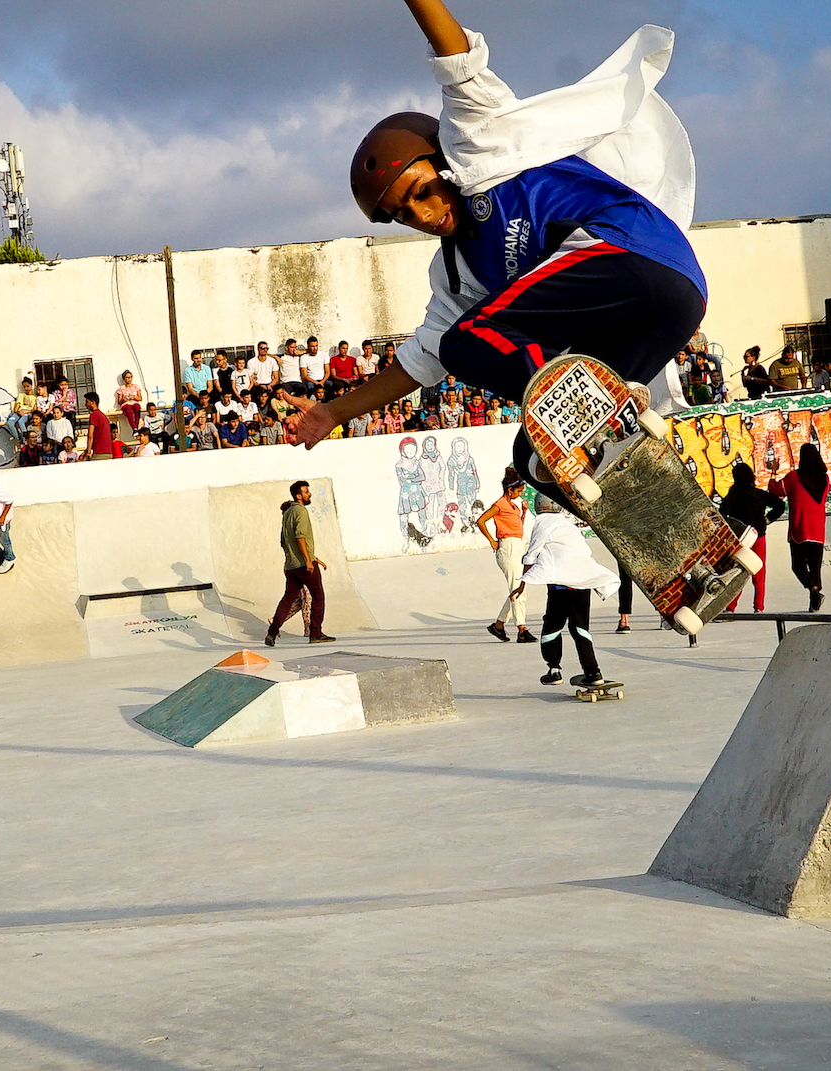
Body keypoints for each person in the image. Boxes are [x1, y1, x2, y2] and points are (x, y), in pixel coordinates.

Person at [286, 0, 706, 510]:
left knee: (468, 342)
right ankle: (667, 529)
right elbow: (421, 360)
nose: (421, 214)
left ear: (439, 160)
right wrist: (333, 412)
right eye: (403, 214)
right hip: (665, 316)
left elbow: (457, 59)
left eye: (422, 191)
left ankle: (577, 404)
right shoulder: (456, 277)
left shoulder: (479, 142)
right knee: (536, 458)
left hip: (635, 252)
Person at [508, 497, 619, 687]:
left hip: (560, 586)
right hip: (583, 582)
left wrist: (522, 585)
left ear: (538, 507)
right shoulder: (568, 524)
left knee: (552, 626)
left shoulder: (542, 524)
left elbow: (531, 556)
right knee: (580, 628)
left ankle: (554, 670)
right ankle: (593, 673)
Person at [265, 480, 337, 646]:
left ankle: (272, 632)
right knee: (318, 595)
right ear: (299, 496)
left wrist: (311, 557)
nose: (309, 494)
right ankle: (316, 633)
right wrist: (308, 560)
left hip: (291, 566)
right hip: (304, 565)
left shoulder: (287, 513)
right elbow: (300, 537)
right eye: (306, 492)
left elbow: (283, 540)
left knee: (288, 598)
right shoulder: (301, 512)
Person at [477, 471, 536, 643]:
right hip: (507, 547)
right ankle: (521, 628)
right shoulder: (500, 504)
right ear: (510, 490)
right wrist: (491, 540)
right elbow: (481, 520)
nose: (520, 494)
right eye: (518, 491)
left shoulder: (513, 506)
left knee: (517, 589)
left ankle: (499, 625)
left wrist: (524, 512)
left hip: (517, 545)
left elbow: (517, 527)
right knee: (518, 589)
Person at [721, 462, 785, 613]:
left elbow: (722, 513)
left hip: (740, 540)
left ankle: (730, 607)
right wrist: (768, 519)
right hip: (758, 537)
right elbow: (780, 505)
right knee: (759, 573)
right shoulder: (758, 495)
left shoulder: (732, 496)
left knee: (737, 573)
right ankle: (759, 606)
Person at [776, 443, 829, 612]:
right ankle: (814, 604)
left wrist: (773, 472)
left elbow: (776, 490)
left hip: (800, 529)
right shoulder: (825, 479)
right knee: (815, 567)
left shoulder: (793, 477)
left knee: (798, 566)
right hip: (818, 530)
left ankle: (813, 590)